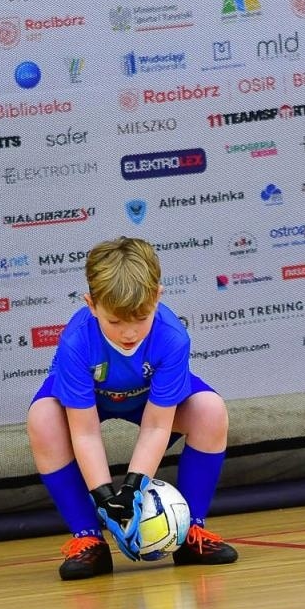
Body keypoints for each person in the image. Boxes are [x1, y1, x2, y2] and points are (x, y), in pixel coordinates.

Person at [27, 236, 239, 580]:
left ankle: (190, 532)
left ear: (157, 297)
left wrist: (132, 490)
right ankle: (88, 539)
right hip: (90, 407)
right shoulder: (75, 341)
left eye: (141, 318)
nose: (129, 333)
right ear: (91, 305)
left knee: (210, 409)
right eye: (115, 322)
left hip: (148, 403)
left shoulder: (172, 336)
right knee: (43, 418)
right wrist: (106, 497)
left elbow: (157, 426)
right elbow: (85, 431)